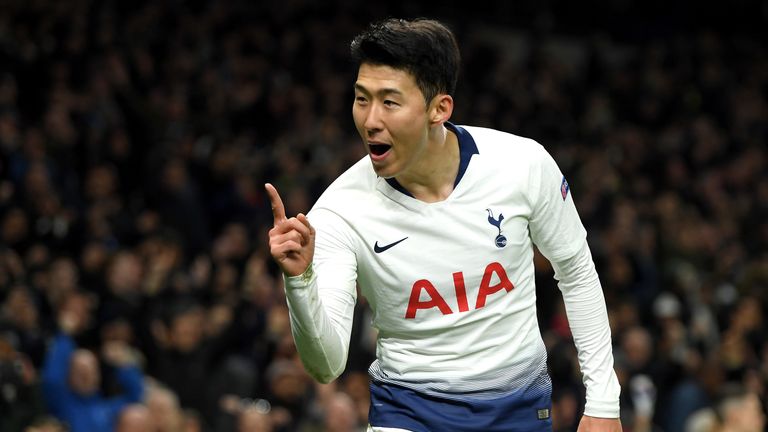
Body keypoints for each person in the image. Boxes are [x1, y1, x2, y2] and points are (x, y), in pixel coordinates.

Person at [266, 18, 621, 431]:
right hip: (408, 413)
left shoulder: (522, 165)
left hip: (518, 411)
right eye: (362, 99)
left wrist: (603, 403)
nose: (370, 120)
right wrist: (300, 281)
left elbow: (576, 273)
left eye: (390, 102)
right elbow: (326, 366)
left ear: (440, 109)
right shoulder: (339, 212)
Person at [41, 292, 144, 432]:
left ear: (98, 376)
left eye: (90, 371)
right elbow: (52, 379)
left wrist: (124, 364)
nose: (86, 376)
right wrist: (65, 336)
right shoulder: (63, 403)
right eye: (80, 372)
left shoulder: (106, 409)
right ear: (69, 376)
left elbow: (135, 397)